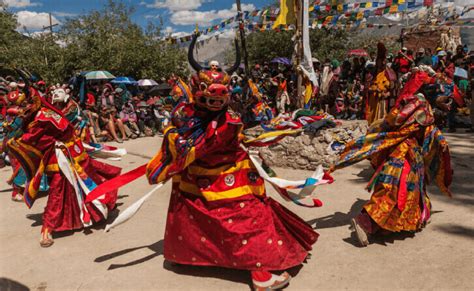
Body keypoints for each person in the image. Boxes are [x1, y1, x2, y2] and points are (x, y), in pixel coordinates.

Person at [331, 70, 452, 247]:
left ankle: (384, 227)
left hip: (413, 154)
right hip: (402, 152)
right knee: (392, 188)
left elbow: (428, 130)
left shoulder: (422, 106)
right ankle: (365, 222)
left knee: (410, 191)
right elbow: (393, 120)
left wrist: (439, 140)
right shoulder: (417, 104)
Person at [7, 74, 121, 247]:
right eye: (20, 105)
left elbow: (34, 138)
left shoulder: (43, 116)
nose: (23, 108)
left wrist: (15, 142)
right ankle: (51, 226)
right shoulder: (42, 113)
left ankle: (48, 228)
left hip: (64, 154)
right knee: (63, 189)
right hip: (65, 152)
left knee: (64, 189)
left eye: (25, 104)